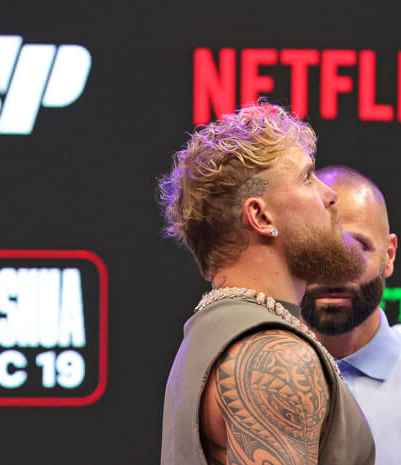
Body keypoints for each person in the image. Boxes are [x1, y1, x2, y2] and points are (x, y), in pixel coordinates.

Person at [158, 103, 375, 465]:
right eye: (307, 178)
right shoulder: (275, 357)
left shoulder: (213, 332)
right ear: (260, 216)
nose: (330, 194)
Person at [300, 166, 401, 465]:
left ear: (389, 254)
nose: (334, 268)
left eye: (356, 246)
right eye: (317, 247)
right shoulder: (254, 381)